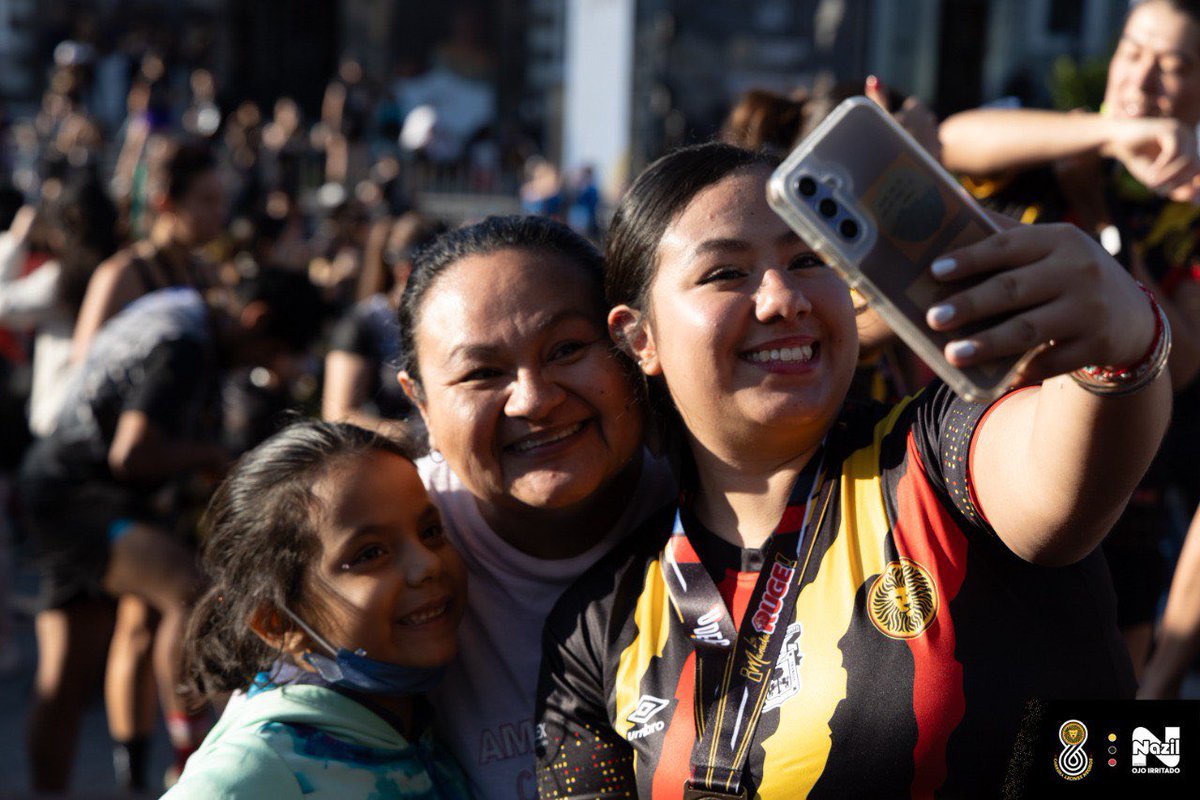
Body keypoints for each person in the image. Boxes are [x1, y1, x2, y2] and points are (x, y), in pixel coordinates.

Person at [535, 142, 1169, 798]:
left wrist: (1118, 345)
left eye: (809, 259)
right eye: (726, 273)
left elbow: (1061, 491)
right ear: (640, 338)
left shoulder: (935, 455)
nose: (782, 298)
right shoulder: (600, 625)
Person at [940, 0, 1200, 675]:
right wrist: (1102, 136)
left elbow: (1186, 355)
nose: (1141, 79)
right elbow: (952, 140)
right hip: (974, 469)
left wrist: (1100, 219)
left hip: (1117, 512)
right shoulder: (1055, 143)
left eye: (1172, 66)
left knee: (1092, 734)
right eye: (1132, 50)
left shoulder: (1186, 211)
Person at [395, 215, 675, 799]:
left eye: (567, 349)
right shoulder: (380, 542)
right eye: (481, 373)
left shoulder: (723, 499)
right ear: (419, 404)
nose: (535, 399)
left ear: (630, 345)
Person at [16, 269, 322, 794]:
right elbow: (131, 454)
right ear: (256, 320)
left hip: (56, 484)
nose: (264, 368)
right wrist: (211, 456)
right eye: (268, 353)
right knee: (191, 591)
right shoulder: (186, 345)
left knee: (66, 678)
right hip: (80, 497)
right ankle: (189, 759)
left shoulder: (184, 307)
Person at [165, 420, 470, 799]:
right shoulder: (254, 767)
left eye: (430, 532)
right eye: (370, 554)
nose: (427, 565)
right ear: (277, 625)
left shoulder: (415, 728)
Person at [322, 211, 443, 437]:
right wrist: (414, 434)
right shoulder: (364, 323)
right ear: (403, 269)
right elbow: (338, 414)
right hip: (392, 455)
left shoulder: (447, 319)